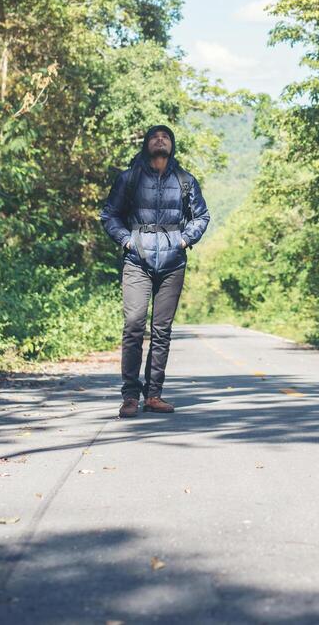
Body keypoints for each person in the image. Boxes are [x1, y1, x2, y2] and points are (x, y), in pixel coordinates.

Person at [100, 124, 210, 418]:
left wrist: (184, 240)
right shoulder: (129, 178)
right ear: (147, 144)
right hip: (137, 260)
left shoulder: (185, 180)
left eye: (166, 137)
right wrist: (126, 241)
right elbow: (110, 214)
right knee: (134, 325)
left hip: (174, 261)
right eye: (155, 137)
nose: (160, 140)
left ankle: (154, 395)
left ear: (172, 145)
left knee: (162, 331)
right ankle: (129, 397)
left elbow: (202, 216)